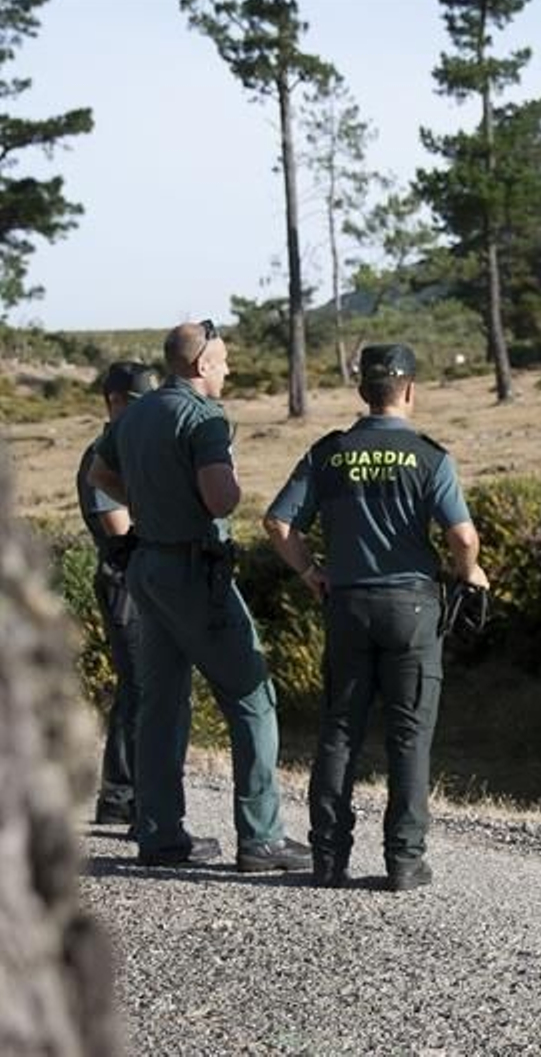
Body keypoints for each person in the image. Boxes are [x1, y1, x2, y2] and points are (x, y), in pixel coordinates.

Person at [263, 343, 489, 892]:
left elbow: (278, 523)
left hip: (347, 606)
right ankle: (404, 862)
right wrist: (471, 573)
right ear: (409, 390)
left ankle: (328, 859)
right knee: (409, 736)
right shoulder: (430, 456)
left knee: (340, 731)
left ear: (363, 390)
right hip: (412, 609)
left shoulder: (329, 453)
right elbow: (462, 536)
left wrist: (310, 571)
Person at [88, 320, 310, 872]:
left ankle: (160, 835)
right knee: (252, 697)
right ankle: (262, 838)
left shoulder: (135, 413)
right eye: (224, 360)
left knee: (161, 705)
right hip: (194, 572)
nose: (229, 369)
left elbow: (100, 473)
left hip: (147, 568)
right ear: (201, 364)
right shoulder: (204, 417)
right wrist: (222, 477)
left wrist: (149, 501)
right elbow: (220, 501)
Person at [76, 361, 159, 829]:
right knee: (140, 688)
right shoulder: (103, 457)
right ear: (115, 403)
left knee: (140, 688)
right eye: (138, 404)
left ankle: (120, 794)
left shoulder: (131, 449)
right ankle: (127, 796)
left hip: (140, 582)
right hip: (125, 582)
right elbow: (121, 530)